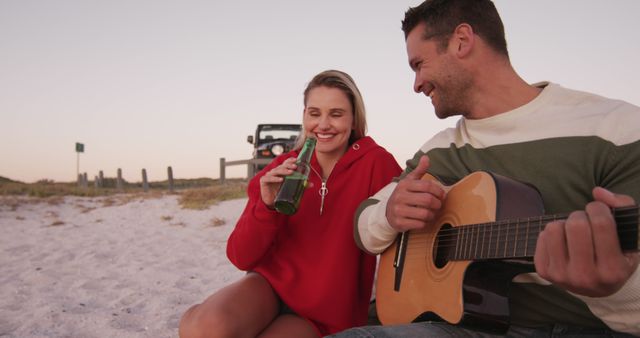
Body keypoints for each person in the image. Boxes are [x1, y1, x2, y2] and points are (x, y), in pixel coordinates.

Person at [329, 0, 640, 337]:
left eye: (419, 64)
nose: (416, 84)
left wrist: (615, 288)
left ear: (462, 41)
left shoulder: (617, 129)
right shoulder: (439, 149)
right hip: (466, 325)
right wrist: (389, 213)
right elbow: (364, 221)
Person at [178, 69, 402, 338]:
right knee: (205, 329)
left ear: (354, 119)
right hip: (269, 286)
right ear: (304, 116)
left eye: (336, 113)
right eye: (314, 113)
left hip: (322, 312)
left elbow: (407, 215)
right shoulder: (280, 168)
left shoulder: (376, 163)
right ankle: (197, 315)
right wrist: (267, 206)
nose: (323, 124)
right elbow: (240, 256)